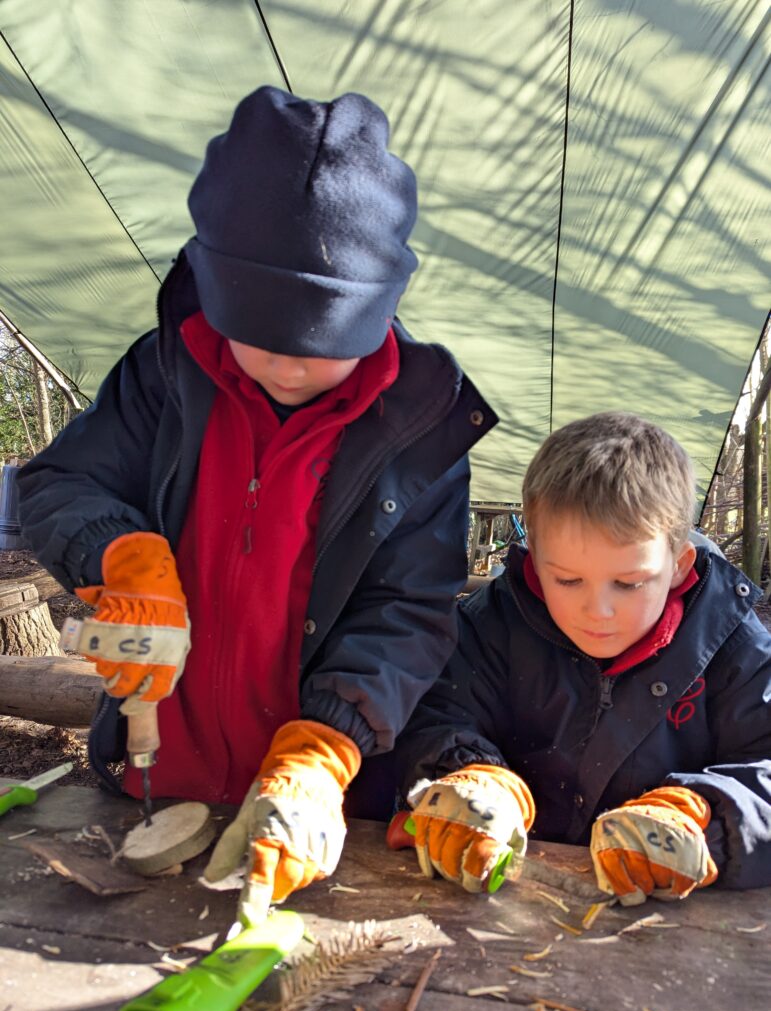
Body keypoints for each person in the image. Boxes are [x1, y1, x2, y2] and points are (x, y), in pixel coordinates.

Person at [17, 84, 497, 925]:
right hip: (150, 775)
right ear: (216, 290)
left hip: (319, 805)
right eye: (260, 336)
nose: (286, 367)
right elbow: (59, 483)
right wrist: (122, 555)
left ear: (376, 311)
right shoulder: (164, 372)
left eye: (321, 348)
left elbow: (410, 612)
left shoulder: (419, 428)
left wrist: (325, 747)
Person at [395, 412, 771, 905]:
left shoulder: (732, 644)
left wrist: (696, 817)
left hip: (671, 928)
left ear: (677, 568)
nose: (598, 610)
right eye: (567, 580)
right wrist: (472, 776)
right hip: (502, 900)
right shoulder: (492, 625)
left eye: (630, 583)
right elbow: (437, 712)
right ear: (534, 560)